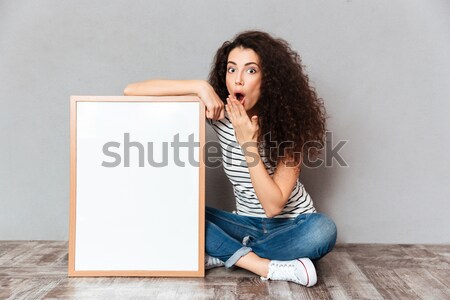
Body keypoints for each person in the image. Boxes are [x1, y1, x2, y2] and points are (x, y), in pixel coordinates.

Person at [124, 30, 337, 287]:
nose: (237, 80)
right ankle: (261, 264)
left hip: (292, 226)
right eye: (231, 69)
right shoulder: (221, 115)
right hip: (243, 224)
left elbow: (273, 206)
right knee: (174, 208)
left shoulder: (289, 127)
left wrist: (248, 144)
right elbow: (132, 90)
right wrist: (199, 87)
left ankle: (227, 253)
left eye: (250, 71)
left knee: (324, 230)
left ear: (268, 79)